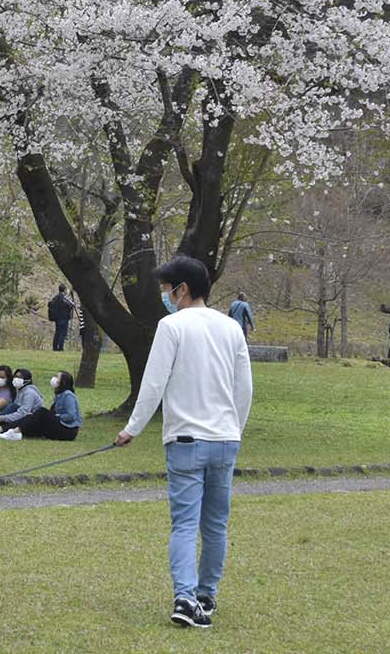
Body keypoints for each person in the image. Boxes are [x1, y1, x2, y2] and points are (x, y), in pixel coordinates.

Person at [116, 255, 253, 630]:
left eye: (168, 290)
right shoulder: (231, 328)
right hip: (224, 440)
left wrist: (132, 429)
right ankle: (206, 595)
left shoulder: (172, 326)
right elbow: (245, 389)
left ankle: (185, 597)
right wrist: (234, 430)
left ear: (183, 289)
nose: (166, 297)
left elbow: (154, 383)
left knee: (184, 524)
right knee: (215, 524)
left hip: (186, 441)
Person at [0, 370, 81, 441]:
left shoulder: (68, 395)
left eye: (57, 377)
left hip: (68, 431)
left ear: (63, 382)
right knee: (30, 417)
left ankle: (14, 431)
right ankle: (1, 429)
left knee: (42, 411)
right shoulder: (59, 395)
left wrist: (54, 417)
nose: (54, 379)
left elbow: (71, 416)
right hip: (59, 427)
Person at [48, 284, 76, 351]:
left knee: (57, 332)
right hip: (64, 318)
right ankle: (60, 347)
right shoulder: (64, 297)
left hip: (57, 318)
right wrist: (71, 295)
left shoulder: (55, 297)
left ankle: (55, 347)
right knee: (63, 333)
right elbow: (72, 304)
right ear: (64, 290)